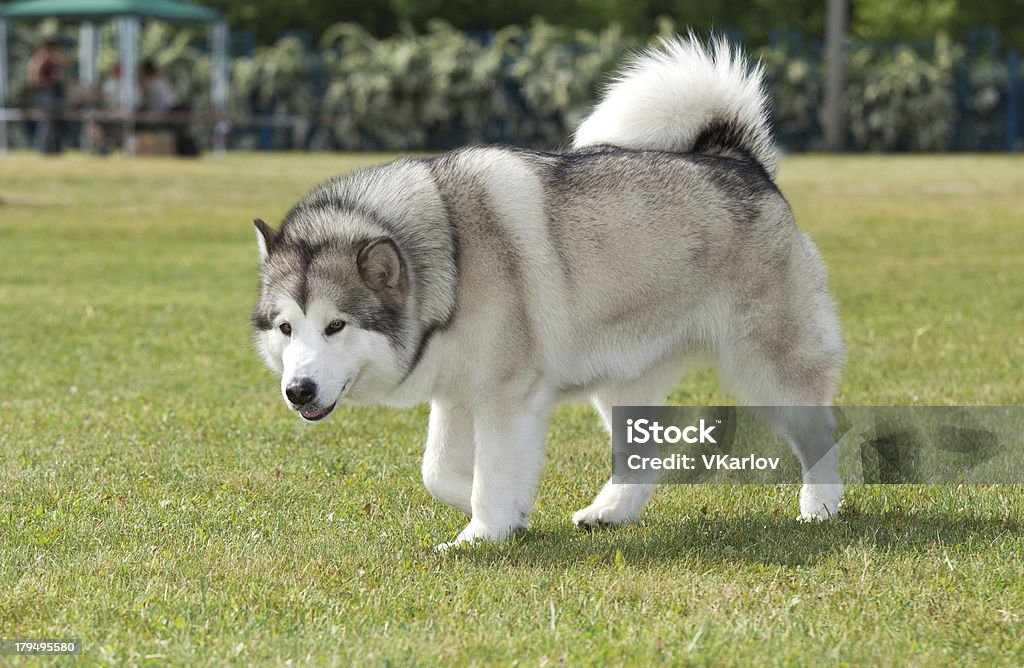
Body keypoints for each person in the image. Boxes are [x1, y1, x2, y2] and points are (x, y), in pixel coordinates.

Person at [26, 37, 69, 154]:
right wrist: (50, 81)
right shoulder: (40, 59)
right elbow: (33, 79)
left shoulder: (52, 59)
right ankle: (43, 150)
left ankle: (55, 149)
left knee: (54, 122)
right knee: (46, 122)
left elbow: (66, 63)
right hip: (46, 93)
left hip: (54, 92)